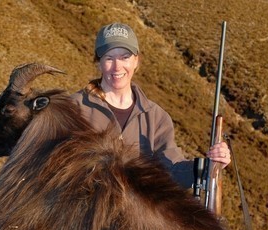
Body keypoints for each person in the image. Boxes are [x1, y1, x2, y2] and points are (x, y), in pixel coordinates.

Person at [71, 22, 230, 189]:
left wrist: (209, 166)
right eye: (109, 58)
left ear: (136, 61)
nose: (117, 67)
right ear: (99, 63)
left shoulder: (156, 117)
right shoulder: (73, 108)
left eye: (125, 57)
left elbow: (172, 170)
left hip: (137, 214)